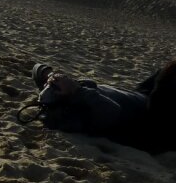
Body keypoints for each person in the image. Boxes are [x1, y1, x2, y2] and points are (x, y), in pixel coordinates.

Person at [30, 61, 176, 152]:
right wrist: (75, 90)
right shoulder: (77, 113)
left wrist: (51, 76)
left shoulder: (73, 94)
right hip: (152, 115)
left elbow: (37, 68)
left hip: (141, 95)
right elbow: (111, 111)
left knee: (166, 72)